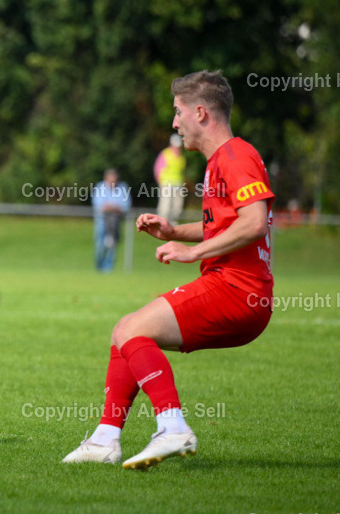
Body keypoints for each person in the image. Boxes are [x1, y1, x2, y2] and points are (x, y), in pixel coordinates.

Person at [62, 70, 274, 470]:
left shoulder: (235, 155)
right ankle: (105, 438)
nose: (174, 123)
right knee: (123, 331)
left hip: (237, 290)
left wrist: (194, 253)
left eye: (178, 113)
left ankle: (172, 426)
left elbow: (255, 222)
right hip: (235, 290)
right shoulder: (219, 162)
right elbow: (226, 223)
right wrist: (175, 231)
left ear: (200, 113)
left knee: (131, 331)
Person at [91, 168, 131, 273]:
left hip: (115, 222)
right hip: (102, 221)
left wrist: (111, 207)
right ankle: (99, 267)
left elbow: (125, 205)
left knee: (112, 245)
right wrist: (114, 207)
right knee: (100, 244)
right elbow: (99, 205)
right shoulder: (100, 187)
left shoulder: (122, 187)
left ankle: (108, 269)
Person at [155, 134, 187, 224]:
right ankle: (162, 222)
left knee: (177, 206)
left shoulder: (181, 157)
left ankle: (173, 222)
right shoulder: (165, 154)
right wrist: (161, 182)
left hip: (178, 184)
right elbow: (158, 169)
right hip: (166, 183)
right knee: (165, 205)